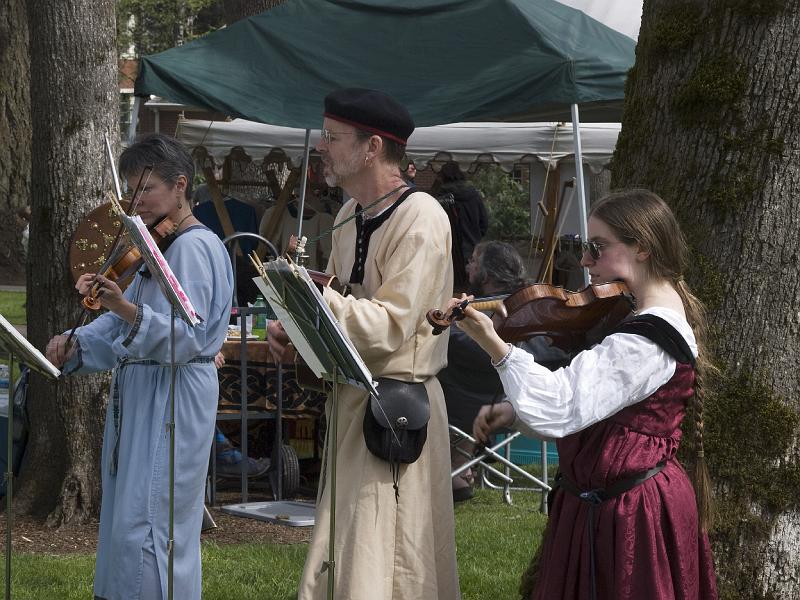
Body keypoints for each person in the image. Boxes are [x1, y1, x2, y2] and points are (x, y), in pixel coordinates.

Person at [453, 189, 718, 599]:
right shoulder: (637, 316)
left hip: (630, 519)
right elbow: (599, 413)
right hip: (609, 508)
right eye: (583, 246)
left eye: (597, 248)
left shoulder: (647, 340)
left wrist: (497, 347)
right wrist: (513, 411)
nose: (584, 261)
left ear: (643, 247)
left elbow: (561, 406)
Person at [268, 88, 460, 599]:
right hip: (354, 402)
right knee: (348, 545)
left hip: (400, 411)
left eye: (333, 138)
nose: (323, 148)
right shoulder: (349, 214)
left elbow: (390, 325)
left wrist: (310, 297)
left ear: (372, 147)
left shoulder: (422, 216)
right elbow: (340, 309)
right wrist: (298, 328)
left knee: (392, 557)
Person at [45, 133, 234, 600]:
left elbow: (187, 336)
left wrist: (122, 308)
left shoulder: (193, 247)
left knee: (153, 520)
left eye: (146, 189)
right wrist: (77, 344)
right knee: (129, 518)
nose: (136, 201)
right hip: (146, 390)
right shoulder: (156, 249)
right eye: (130, 190)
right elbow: (128, 329)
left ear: (180, 186)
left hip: (174, 395)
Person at [438, 241, 568, 501]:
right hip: (516, 405)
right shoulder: (536, 310)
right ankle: (460, 467)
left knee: (433, 378)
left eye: (473, 261)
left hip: (486, 404)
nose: (468, 266)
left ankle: (454, 467)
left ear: (487, 274)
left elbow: (455, 346)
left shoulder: (482, 315)